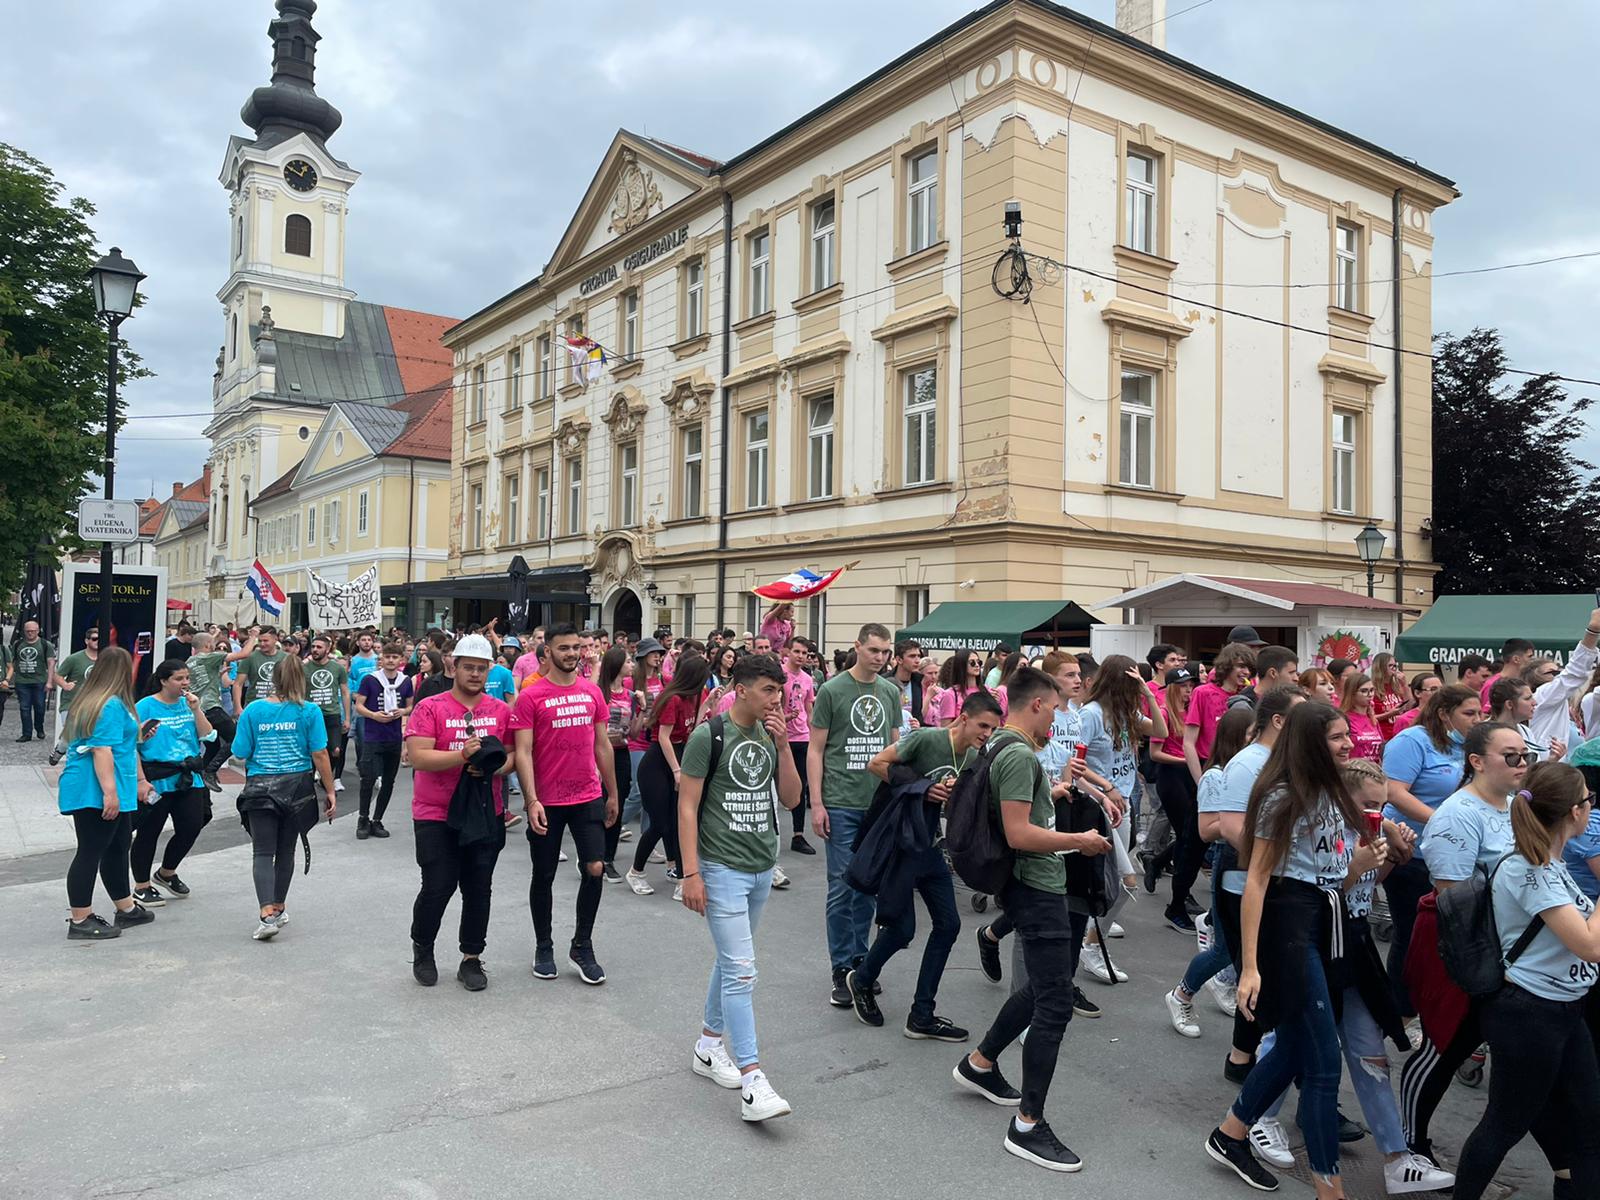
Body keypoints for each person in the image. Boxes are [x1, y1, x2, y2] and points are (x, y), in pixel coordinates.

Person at [1202, 701, 1372, 1199]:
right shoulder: (1281, 796)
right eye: (1338, 738)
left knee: (1298, 1046)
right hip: (1286, 928)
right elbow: (1257, 880)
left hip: (1321, 920)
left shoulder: (1331, 791)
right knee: (1323, 1064)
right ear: (1309, 743)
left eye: (1346, 736)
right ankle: (1329, 1187)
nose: (1348, 744)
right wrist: (1249, 967)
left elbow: (1330, 870)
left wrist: (1362, 863)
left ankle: (1230, 1134)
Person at [953, 666, 1114, 1172]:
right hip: (1037, 884)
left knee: (1046, 984)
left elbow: (1018, 813)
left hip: (1025, 884)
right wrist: (1080, 841)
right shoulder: (1020, 753)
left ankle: (980, 1064)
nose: (1059, 717)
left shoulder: (999, 745)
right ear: (1038, 704)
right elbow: (1020, 833)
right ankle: (1027, 1125)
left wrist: (1054, 795)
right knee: (1055, 1002)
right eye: (1056, 705)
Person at [1450, 762, 1600, 1200]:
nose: (1592, 809)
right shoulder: (1529, 869)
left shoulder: (1548, 862)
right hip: (1530, 1014)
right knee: (1503, 1125)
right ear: (1574, 812)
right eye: (1589, 801)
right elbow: (1588, 944)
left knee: (1589, 1126)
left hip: (1565, 1009)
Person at [679, 652, 803, 1122]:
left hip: (760, 866)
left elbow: (791, 799)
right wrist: (691, 873)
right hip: (721, 867)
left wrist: (786, 747)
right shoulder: (708, 735)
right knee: (743, 971)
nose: (778, 700)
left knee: (732, 962)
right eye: (770, 691)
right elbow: (687, 806)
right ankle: (754, 1080)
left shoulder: (771, 737)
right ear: (743, 689)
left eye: (781, 691)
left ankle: (709, 1045)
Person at [856, 691, 1003, 1040]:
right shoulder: (926, 738)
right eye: (983, 725)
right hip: (899, 844)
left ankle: (922, 1014)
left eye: (993, 729)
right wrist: (924, 788)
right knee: (902, 929)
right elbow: (876, 764)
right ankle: (861, 979)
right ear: (964, 717)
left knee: (949, 925)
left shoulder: (973, 757)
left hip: (931, 846)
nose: (986, 733)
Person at [510, 623, 620, 984]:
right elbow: (523, 752)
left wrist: (613, 792)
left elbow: (602, 745)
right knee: (543, 875)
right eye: (565, 648)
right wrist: (531, 800)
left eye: (577, 647)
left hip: (587, 794)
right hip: (547, 801)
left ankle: (582, 946)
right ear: (548, 653)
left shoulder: (591, 692)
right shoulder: (531, 696)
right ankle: (544, 945)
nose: (573, 653)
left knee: (595, 868)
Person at [404, 634, 514, 992]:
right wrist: (462, 756)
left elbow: (512, 756)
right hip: (435, 812)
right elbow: (419, 757)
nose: (475, 674)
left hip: (485, 812)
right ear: (454, 667)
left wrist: (494, 767)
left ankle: (471, 958)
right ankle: (423, 948)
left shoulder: (499, 711)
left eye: (482, 669)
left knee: (479, 888)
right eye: (469, 667)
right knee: (437, 886)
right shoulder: (430, 707)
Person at [810, 623, 903, 1008]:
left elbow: (897, 746)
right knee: (841, 885)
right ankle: (839, 965)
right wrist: (817, 803)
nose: (880, 658)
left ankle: (860, 961)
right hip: (841, 801)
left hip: (878, 804)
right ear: (858, 648)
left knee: (868, 885)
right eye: (874, 650)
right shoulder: (832, 690)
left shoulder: (890, 692)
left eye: (885, 652)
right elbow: (815, 750)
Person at [1380, 682, 1481, 1011]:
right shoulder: (1413, 741)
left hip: (1456, 856)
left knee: (1448, 936)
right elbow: (1394, 792)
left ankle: (1437, 1007)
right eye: (1469, 713)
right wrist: (1443, 821)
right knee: (1411, 933)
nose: (1477, 719)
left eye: (1480, 713)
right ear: (1443, 714)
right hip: (1411, 851)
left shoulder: (1468, 745)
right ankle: (1401, 1009)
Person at [1163, 705, 1255, 1039]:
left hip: (1252, 863)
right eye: (1251, 734)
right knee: (1226, 950)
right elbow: (1206, 830)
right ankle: (1181, 995)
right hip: (1229, 863)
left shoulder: (1250, 770)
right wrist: (1244, 825)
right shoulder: (1217, 775)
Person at [231, 652, 335, 941]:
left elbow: (240, 753)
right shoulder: (310, 711)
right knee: (287, 850)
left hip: (259, 789)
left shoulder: (253, 710)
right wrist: (328, 790)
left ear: (271, 680)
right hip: (297, 788)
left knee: (263, 852)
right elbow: (319, 754)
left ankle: (266, 913)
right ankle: (278, 906)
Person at [56, 646, 157, 939]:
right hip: (96, 787)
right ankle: (80, 918)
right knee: (91, 850)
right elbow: (101, 749)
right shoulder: (110, 704)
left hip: (107, 784)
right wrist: (110, 794)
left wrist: (137, 734)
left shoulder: (99, 700)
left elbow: (115, 742)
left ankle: (125, 908)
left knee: (117, 845)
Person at [1076, 656, 1158, 976]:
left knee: (1107, 883)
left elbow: (1165, 730)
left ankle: (1091, 936)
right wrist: (1105, 788)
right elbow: (1074, 766)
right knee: (1125, 882)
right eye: (1131, 685)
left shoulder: (1125, 713)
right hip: (1094, 804)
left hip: (1121, 803)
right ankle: (1091, 946)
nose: (1135, 692)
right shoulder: (1091, 715)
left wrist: (1149, 692)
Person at [130, 659, 216, 908]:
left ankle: (166, 872)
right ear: (164, 680)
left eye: (187, 678)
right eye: (179, 679)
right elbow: (131, 745)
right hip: (157, 777)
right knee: (149, 831)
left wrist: (197, 709)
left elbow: (207, 734)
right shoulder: (145, 706)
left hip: (188, 775)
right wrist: (140, 780)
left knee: (193, 825)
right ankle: (141, 885)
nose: (185, 683)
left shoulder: (187, 704)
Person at [627, 654, 709, 898]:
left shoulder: (697, 696)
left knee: (679, 821)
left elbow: (692, 729)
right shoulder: (672, 698)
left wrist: (706, 705)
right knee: (660, 824)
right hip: (658, 764)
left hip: (679, 757)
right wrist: (676, 771)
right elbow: (663, 738)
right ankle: (636, 871)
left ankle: (682, 877)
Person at [1149, 666, 1204, 926]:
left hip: (1186, 773)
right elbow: (1154, 753)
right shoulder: (1163, 712)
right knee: (1186, 835)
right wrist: (1184, 759)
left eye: (1190, 684)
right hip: (1170, 775)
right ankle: (1182, 894)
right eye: (1183, 685)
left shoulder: (1191, 710)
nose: (1188, 688)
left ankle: (1157, 862)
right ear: (1172, 688)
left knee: (1191, 833)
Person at [353, 642, 414, 839]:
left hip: (393, 737)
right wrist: (373, 715)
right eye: (387, 657)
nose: (390, 660)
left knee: (389, 781)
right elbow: (359, 706)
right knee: (368, 779)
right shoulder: (370, 679)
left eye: (394, 657)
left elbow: (410, 706)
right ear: (381, 659)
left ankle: (377, 819)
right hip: (373, 735)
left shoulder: (404, 682)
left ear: (401, 660)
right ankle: (363, 818)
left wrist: (402, 712)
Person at [187, 630, 254, 791]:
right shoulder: (210, 656)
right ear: (208, 646)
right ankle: (210, 771)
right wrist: (254, 636)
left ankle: (202, 773)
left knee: (213, 745)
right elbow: (244, 654)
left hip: (199, 710)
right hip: (211, 707)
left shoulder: (190, 660)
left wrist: (218, 674)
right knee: (236, 737)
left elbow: (202, 678)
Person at [597, 646, 637, 882]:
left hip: (621, 753)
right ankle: (593, 854)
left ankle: (608, 858)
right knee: (598, 805)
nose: (632, 664)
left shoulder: (631, 696)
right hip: (599, 753)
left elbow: (633, 732)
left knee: (617, 805)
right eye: (628, 661)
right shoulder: (599, 693)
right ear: (617, 665)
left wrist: (643, 712)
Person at [782, 639, 817, 855]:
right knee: (776, 785)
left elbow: (809, 707)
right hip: (782, 736)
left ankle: (798, 834)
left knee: (801, 785)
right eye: (797, 651)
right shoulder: (780, 673)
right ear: (788, 652)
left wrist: (813, 734)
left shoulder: (807, 678)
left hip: (802, 736)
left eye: (804, 652)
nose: (801, 656)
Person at [47, 628, 101, 766]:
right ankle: (68, 759)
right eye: (94, 638)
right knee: (72, 734)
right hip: (71, 703)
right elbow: (57, 675)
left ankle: (63, 751)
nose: (97, 641)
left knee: (87, 734)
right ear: (86, 641)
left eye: (99, 639)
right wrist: (65, 685)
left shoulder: (104, 660)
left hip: (93, 704)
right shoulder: (74, 659)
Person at [305, 636, 351, 793]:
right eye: (313, 646)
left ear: (327, 649)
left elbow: (345, 692)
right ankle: (309, 785)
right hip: (311, 714)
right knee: (311, 750)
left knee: (336, 750)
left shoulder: (337, 668)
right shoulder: (304, 667)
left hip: (332, 714)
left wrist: (347, 718)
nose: (315, 650)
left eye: (319, 647)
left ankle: (326, 778)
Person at [11, 620, 54, 743]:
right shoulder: (18, 644)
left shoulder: (45, 645)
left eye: (33, 631)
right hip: (22, 681)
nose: (30, 633)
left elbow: (51, 664)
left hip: (39, 681)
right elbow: (12, 662)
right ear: (24, 631)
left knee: (40, 707)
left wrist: (49, 681)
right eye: (28, 631)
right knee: (24, 708)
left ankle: (39, 727)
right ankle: (26, 733)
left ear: (38, 630)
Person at [232, 626, 287, 710]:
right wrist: (238, 707)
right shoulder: (250, 657)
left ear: (275, 639)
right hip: (254, 706)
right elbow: (238, 684)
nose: (262, 644)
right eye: (260, 641)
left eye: (265, 641)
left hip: (279, 706)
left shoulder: (285, 658)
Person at [1479, 637, 1537, 708]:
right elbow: (1486, 715)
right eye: (1529, 657)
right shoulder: (1492, 685)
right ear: (1516, 659)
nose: (1532, 661)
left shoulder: (1524, 683)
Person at [1339, 672, 1385, 761]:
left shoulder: (1372, 719)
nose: (1370, 694)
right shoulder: (1344, 718)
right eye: (1364, 691)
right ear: (1352, 693)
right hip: (1353, 770)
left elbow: (1381, 747)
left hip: (1373, 770)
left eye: (1372, 690)